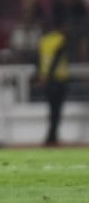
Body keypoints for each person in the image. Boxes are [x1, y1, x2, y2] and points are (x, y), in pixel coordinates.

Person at [36, 16, 71, 147]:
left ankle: (51, 136)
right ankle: (52, 137)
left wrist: (42, 76)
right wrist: (49, 75)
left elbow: (39, 59)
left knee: (51, 110)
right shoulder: (61, 40)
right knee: (57, 111)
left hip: (46, 79)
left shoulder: (43, 40)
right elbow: (56, 59)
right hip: (58, 79)